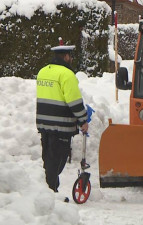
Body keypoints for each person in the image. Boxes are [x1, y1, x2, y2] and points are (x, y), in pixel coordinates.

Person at [36, 38, 88, 192]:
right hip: (61, 125)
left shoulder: (43, 71)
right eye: (70, 56)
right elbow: (74, 101)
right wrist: (83, 119)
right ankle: (50, 192)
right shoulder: (67, 74)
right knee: (58, 161)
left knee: (49, 159)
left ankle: (52, 190)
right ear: (66, 57)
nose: (71, 59)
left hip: (44, 124)